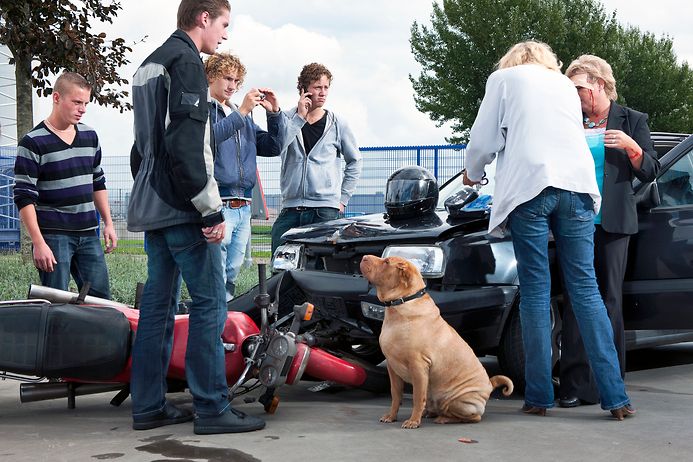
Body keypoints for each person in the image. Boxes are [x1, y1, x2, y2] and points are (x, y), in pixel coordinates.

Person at [462, 40, 635, 420]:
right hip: (577, 189)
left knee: (536, 293)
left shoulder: (503, 79)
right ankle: (617, 398)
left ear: (511, 61)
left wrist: (473, 174)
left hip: (531, 189)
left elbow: (484, 140)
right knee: (587, 291)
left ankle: (539, 397)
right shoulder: (562, 85)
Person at [127, 0, 265, 434]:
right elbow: (186, 146)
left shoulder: (148, 65)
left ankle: (148, 406)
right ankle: (211, 409)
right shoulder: (186, 62)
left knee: (157, 308)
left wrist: (154, 193)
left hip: (154, 206)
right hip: (185, 208)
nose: (224, 34)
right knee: (210, 304)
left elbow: (141, 149)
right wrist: (209, 209)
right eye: (223, 24)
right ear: (203, 18)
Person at [558, 55, 660, 408]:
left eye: (579, 88)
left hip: (614, 224)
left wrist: (632, 147)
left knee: (609, 301)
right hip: (575, 221)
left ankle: (609, 385)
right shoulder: (570, 122)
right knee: (574, 301)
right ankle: (573, 385)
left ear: (600, 85)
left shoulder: (632, 120)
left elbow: (650, 171)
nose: (575, 95)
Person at [13, 71, 117, 300]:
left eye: (86, 103)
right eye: (77, 102)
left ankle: (94, 338)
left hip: (89, 234)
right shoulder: (33, 142)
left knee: (101, 301)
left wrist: (108, 223)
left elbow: (97, 182)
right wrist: (38, 243)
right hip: (53, 237)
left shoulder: (90, 136)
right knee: (56, 303)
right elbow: (23, 196)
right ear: (57, 98)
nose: (82, 109)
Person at [204, 52, 283, 301]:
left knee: (232, 273)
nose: (232, 86)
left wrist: (274, 114)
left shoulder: (243, 117)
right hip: (219, 203)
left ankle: (224, 319)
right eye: (227, 78)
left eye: (237, 81)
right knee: (216, 272)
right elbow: (209, 140)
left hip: (243, 206)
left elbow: (273, 146)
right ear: (210, 77)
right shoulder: (203, 111)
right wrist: (243, 111)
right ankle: (216, 321)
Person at [270, 62, 362, 253]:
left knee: (323, 266)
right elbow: (278, 146)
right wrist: (299, 118)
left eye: (326, 87)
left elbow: (355, 161)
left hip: (325, 209)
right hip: (291, 208)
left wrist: (342, 198)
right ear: (303, 89)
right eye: (317, 87)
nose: (323, 92)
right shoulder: (286, 118)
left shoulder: (338, 123)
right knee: (280, 264)